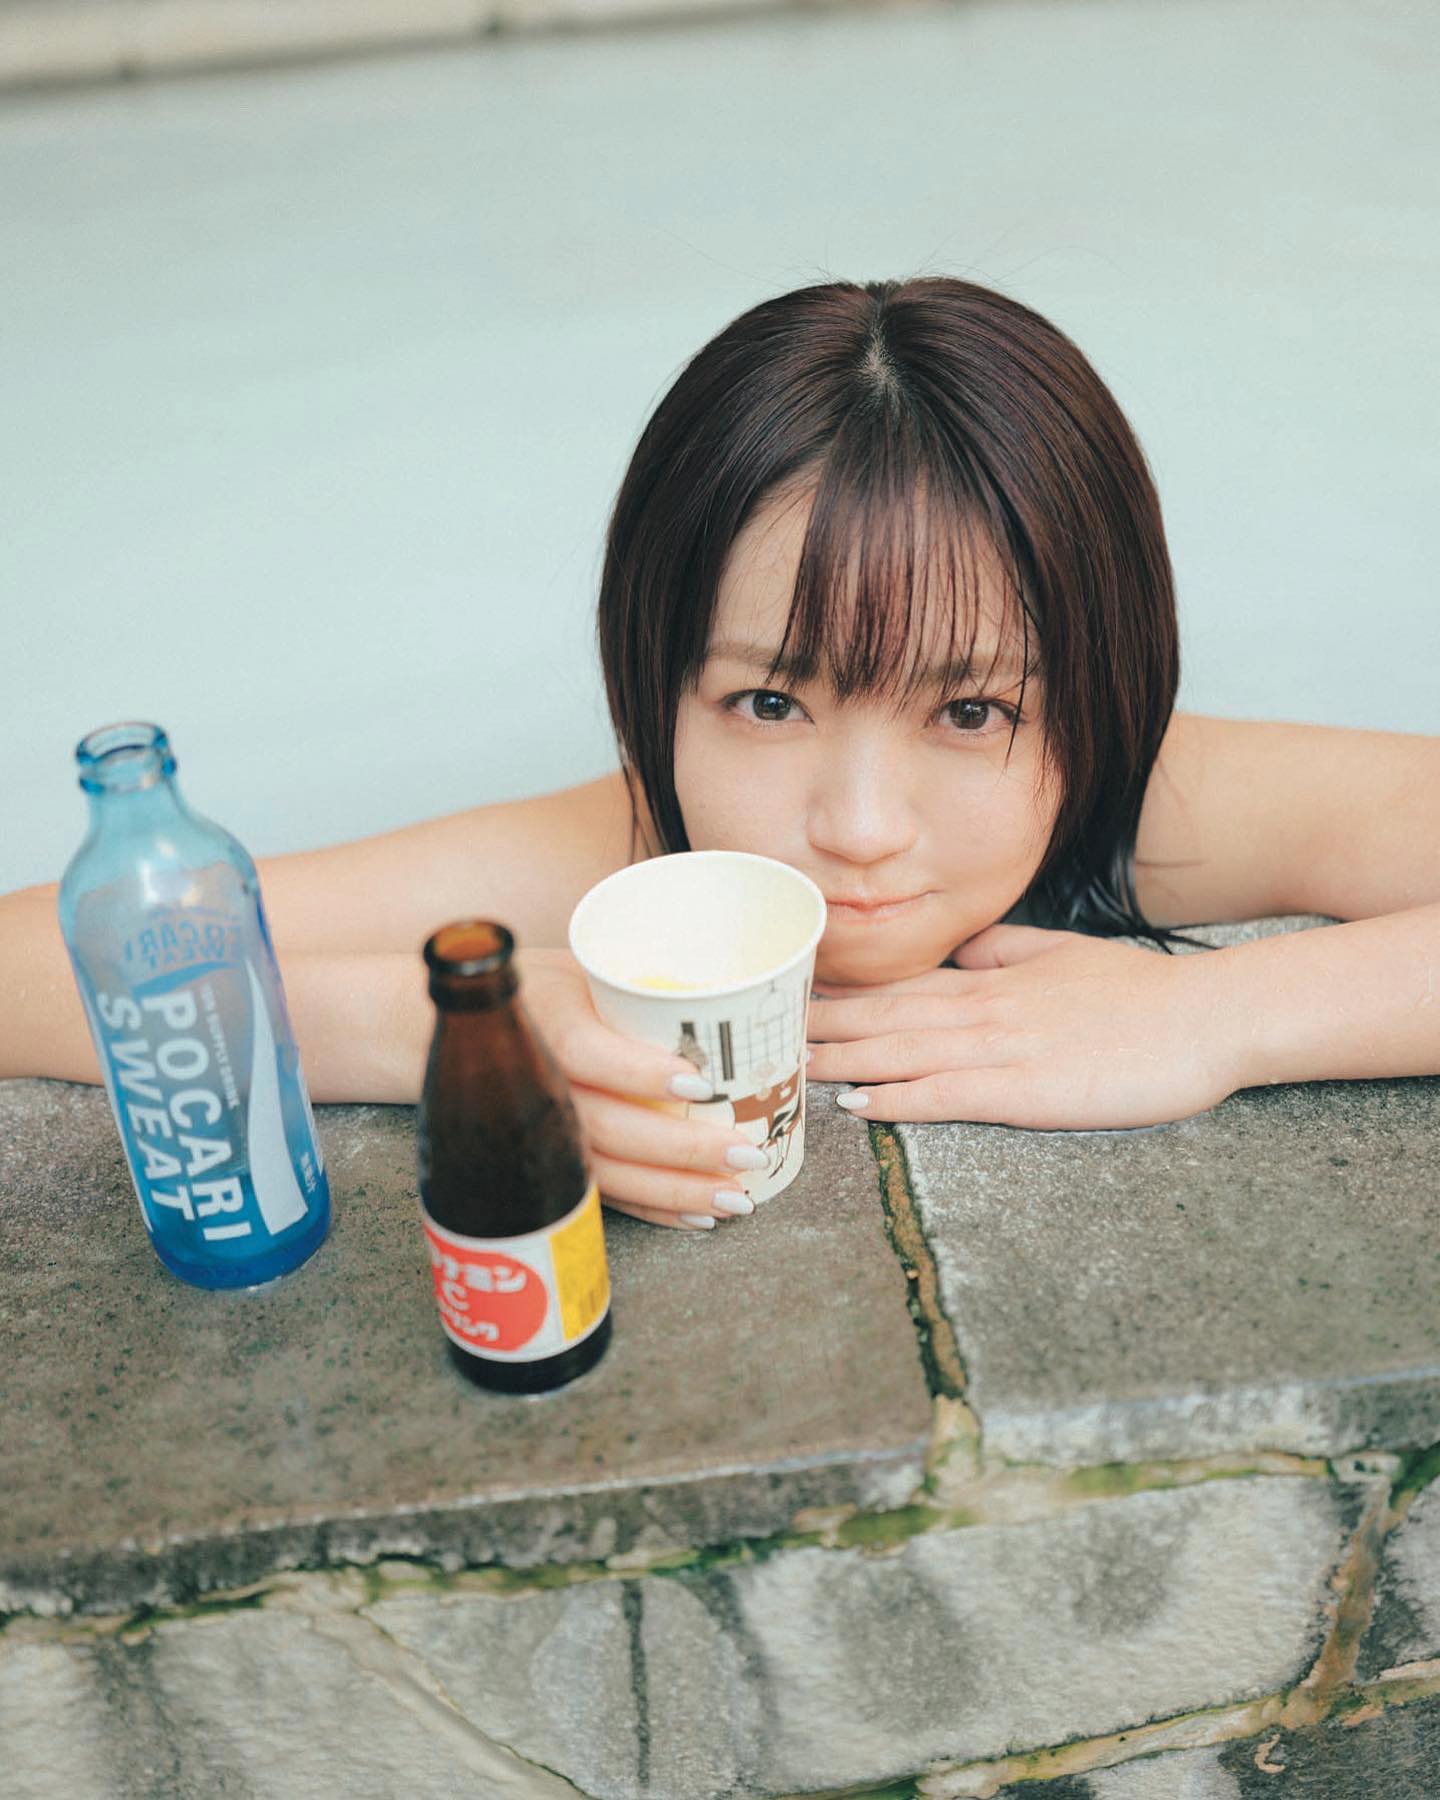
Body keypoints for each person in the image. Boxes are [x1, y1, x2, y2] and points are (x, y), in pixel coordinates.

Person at [4, 277, 1438, 1232]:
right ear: (658, 680)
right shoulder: (624, 852)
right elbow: (35, 962)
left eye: (970, 712)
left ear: (1103, 690)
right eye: (767, 702)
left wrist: (1215, 1019)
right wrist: (475, 1030)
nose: (861, 825)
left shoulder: (1143, 800)